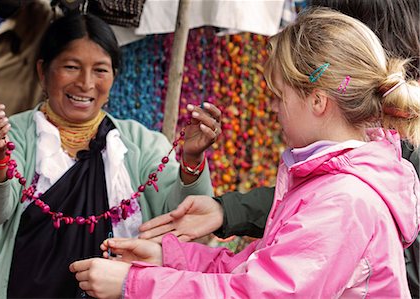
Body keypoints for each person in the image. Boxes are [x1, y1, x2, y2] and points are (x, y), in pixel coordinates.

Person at [70, 7, 420, 298]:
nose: (273, 109)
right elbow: (257, 269)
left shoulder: (344, 199)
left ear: (317, 101)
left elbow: (257, 293)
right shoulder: (331, 183)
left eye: (279, 96)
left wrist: (134, 284)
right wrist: (169, 257)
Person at [0, 12, 222, 298]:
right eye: (71, 67)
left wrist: (191, 160)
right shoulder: (13, 136)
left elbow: (184, 224)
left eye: (100, 70)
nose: (86, 83)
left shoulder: (143, 144)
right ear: (43, 72)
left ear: (114, 76)